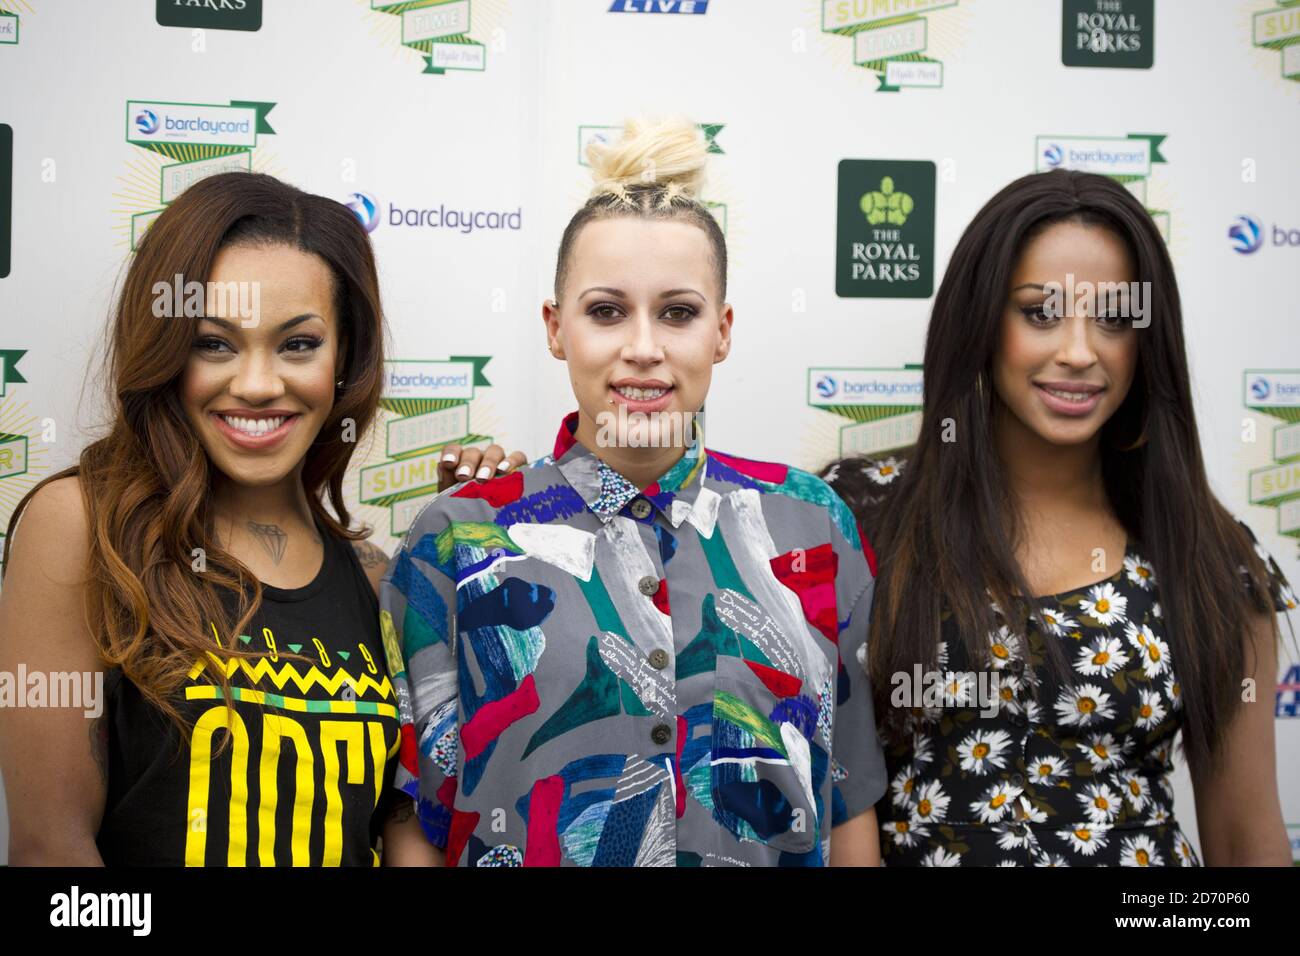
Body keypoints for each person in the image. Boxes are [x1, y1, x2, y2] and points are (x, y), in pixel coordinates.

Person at [380, 118, 887, 867]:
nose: (643, 347)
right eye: (607, 311)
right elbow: (415, 819)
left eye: (678, 312)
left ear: (722, 330)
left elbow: (847, 801)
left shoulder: (812, 524)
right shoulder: (456, 539)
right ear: (557, 329)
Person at [0, 171, 524, 865]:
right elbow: (50, 852)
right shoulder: (79, 529)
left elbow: (414, 827)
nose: (255, 384)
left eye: (298, 344)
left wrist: (471, 552)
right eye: (214, 342)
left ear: (345, 360)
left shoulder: (376, 580)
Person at [823, 168, 1297, 866]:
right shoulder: (861, 513)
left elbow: (1246, 839)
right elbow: (825, 789)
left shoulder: (1209, 553)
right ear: (981, 321)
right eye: (1040, 312)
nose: (1079, 352)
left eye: (1113, 317)